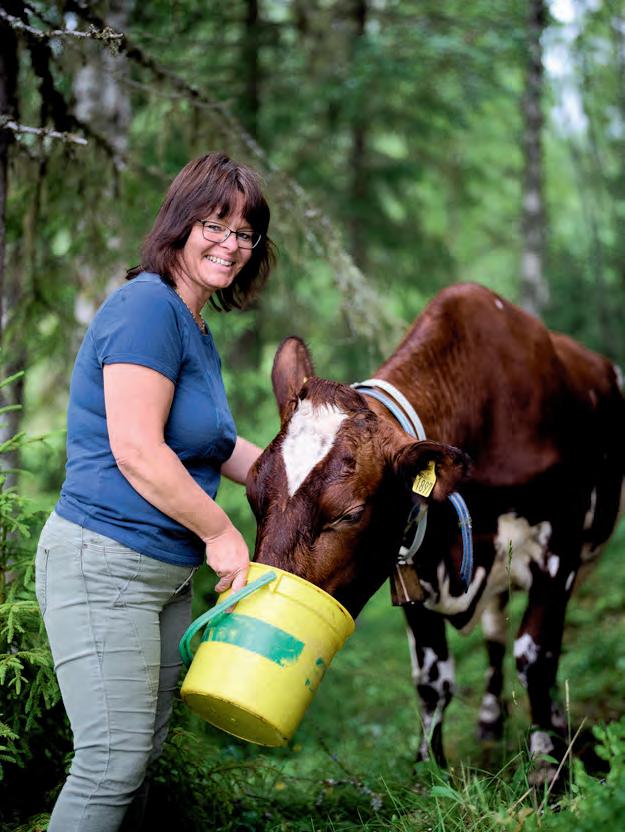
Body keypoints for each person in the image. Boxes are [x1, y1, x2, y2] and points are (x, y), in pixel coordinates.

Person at [35, 152, 275, 832]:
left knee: (138, 760)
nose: (230, 244)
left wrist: (299, 477)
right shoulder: (146, 307)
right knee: (110, 764)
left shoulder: (191, 323)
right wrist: (221, 534)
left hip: (163, 577)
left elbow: (215, 444)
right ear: (180, 223)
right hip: (104, 564)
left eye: (245, 233)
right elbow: (138, 450)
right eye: (214, 225)